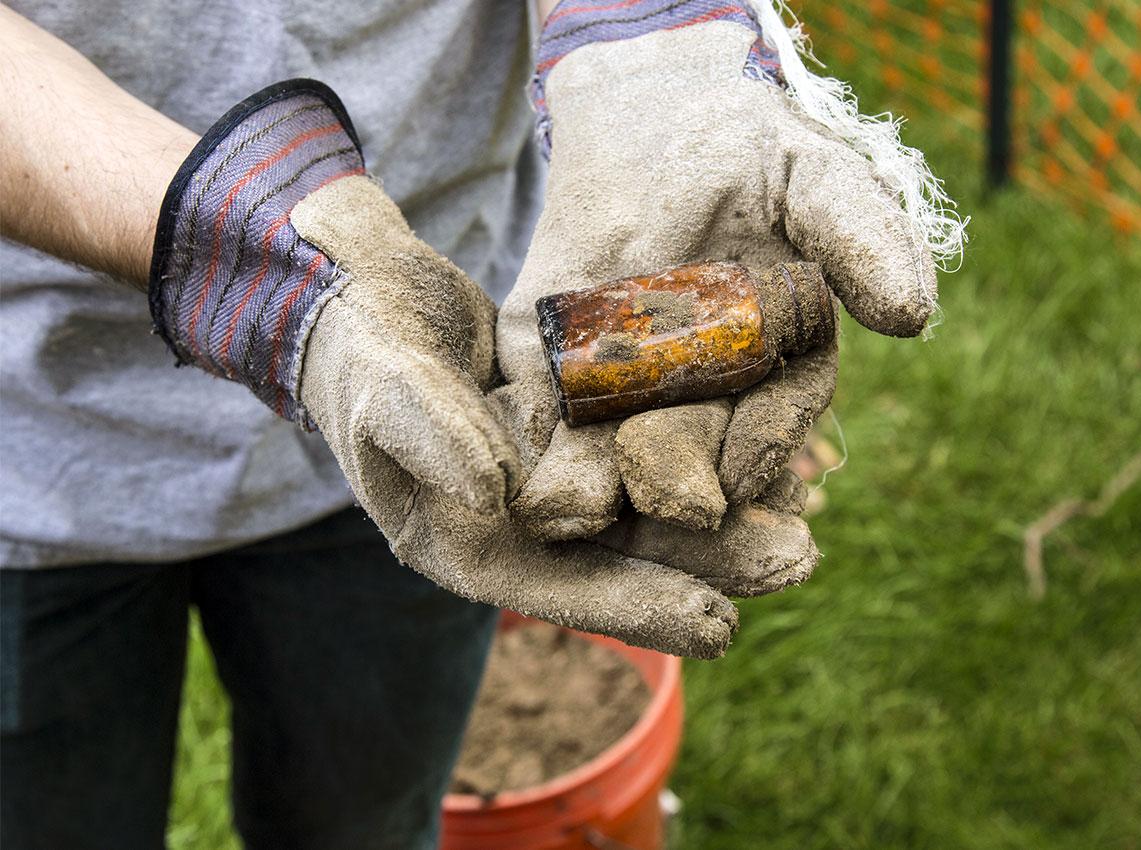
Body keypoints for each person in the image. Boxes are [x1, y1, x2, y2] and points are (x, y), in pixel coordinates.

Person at [0, 0, 959, 846]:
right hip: (29, 459)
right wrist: (252, 263)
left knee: (370, 821)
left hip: (443, 409)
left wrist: (642, 25)